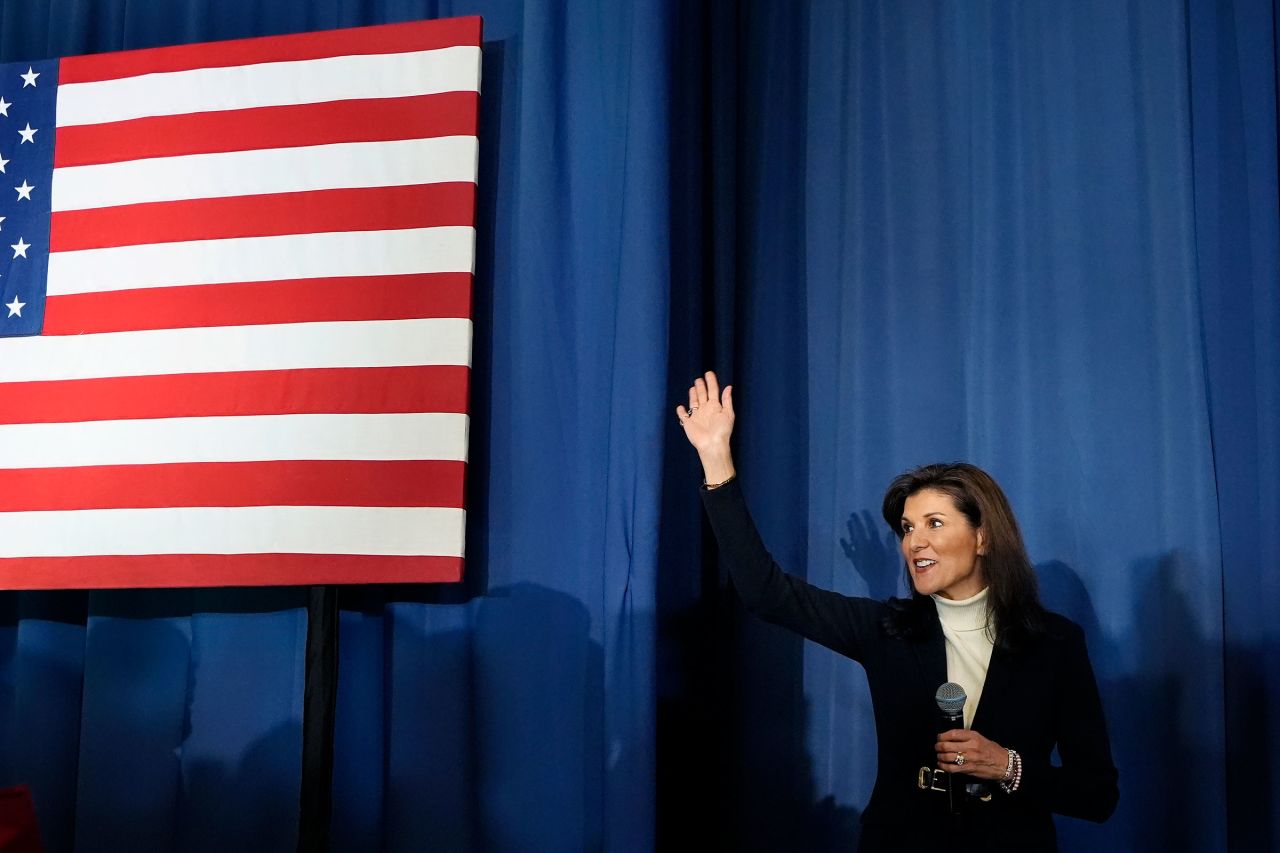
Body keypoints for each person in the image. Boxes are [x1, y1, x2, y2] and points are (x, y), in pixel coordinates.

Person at [677, 371, 1118, 852]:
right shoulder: (887, 630)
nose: (914, 542)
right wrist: (715, 458)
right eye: (907, 528)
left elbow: (1097, 795)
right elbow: (766, 593)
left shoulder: (1054, 643)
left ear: (983, 536)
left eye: (934, 523)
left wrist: (1007, 767)